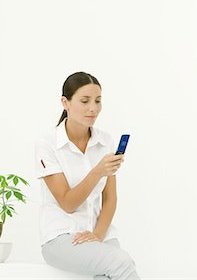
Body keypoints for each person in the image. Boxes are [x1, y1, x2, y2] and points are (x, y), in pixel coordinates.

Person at [34, 72, 140, 280]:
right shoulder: (47, 145)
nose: (93, 108)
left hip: (100, 233)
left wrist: (98, 236)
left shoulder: (105, 141)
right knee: (122, 263)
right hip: (61, 238)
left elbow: (110, 199)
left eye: (98, 101)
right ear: (65, 102)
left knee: (105, 276)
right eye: (85, 101)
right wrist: (98, 171)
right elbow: (67, 203)